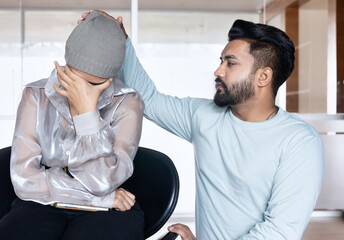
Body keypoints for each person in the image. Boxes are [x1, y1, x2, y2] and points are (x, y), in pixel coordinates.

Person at [80, 10, 325, 240]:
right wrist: (120, 40)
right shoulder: (204, 116)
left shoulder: (300, 141)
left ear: (263, 76)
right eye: (221, 61)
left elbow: (280, 232)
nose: (218, 70)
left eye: (231, 63)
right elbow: (149, 99)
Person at [0, 11, 145, 240]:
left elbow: (104, 181)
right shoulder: (36, 95)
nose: (79, 89)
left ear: (110, 79)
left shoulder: (128, 102)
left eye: (92, 84)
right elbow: (25, 180)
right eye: (72, 79)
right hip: (49, 204)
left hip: (110, 213)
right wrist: (100, 199)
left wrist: (87, 115)